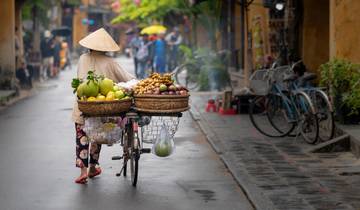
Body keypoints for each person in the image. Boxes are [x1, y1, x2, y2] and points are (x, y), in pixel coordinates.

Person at [72, 28, 134, 184]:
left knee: (82, 137)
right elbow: (127, 79)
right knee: (96, 135)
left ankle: (83, 171)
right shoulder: (110, 62)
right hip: (102, 106)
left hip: (83, 104)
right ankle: (93, 167)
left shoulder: (82, 58)